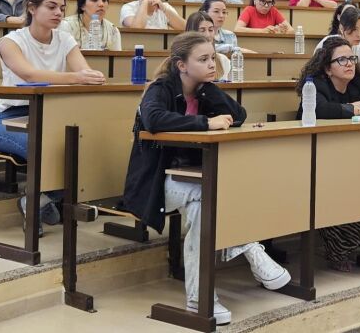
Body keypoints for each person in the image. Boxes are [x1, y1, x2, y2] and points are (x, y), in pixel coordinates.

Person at [121, 32, 289, 323]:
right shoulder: (161, 88)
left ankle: (199, 299)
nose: (212, 64)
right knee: (208, 194)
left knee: (205, 201)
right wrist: (205, 123)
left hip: (194, 181)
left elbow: (238, 115)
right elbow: (154, 119)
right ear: (181, 65)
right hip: (154, 184)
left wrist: (210, 90)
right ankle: (252, 251)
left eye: (212, 57)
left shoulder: (203, 90)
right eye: (203, 59)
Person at [0, 0, 106, 233]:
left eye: (62, 9)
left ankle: (38, 201)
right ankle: (40, 204)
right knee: (46, 148)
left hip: (51, 117)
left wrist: (91, 76)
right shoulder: (10, 41)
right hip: (9, 120)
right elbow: (30, 75)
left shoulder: (65, 39)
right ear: (32, 8)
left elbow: (83, 71)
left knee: (84, 147)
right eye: (51, 7)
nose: (58, 13)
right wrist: (78, 78)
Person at [296, 37, 360, 270]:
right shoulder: (316, 84)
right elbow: (320, 109)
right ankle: (339, 249)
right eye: (342, 60)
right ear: (327, 67)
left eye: (352, 58)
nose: (350, 63)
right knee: (340, 190)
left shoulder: (358, 84)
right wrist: (354, 109)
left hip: (354, 159)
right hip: (318, 159)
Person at [315, 6, 360, 79]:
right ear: (341, 28)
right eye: (354, 29)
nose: (359, 35)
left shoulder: (357, 46)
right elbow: (317, 73)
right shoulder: (328, 43)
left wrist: (353, 70)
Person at [58, 0, 122, 51]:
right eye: (94, 0)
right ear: (82, 6)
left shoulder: (113, 30)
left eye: (104, 0)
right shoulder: (67, 25)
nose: (101, 4)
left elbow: (117, 56)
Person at [184, 12, 231, 81]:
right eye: (202, 30)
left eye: (210, 30)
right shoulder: (182, 61)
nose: (208, 35)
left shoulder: (223, 60)